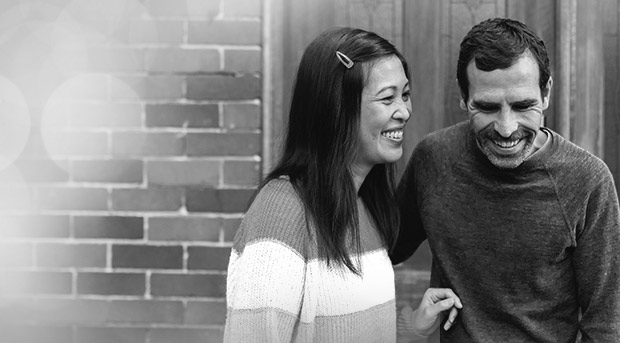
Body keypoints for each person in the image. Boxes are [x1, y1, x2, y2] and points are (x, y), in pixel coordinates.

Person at [224, 27, 462, 343]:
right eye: (387, 98)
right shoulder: (280, 213)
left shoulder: (364, 207)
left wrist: (410, 328)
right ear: (336, 109)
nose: (404, 111)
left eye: (404, 94)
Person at [391, 17, 620, 342]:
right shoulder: (434, 158)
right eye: (486, 107)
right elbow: (383, 249)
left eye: (523, 105)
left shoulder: (588, 181)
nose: (506, 128)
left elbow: (606, 326)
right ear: (463, 96)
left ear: (546, 94)